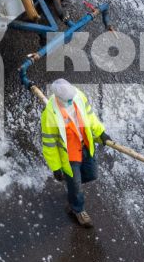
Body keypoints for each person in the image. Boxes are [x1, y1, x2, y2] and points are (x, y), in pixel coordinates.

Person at [40, 78, 107, 227]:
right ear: (58, 98)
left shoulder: (78, 96)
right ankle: (78, 210)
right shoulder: (50, 114)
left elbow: (90, 116)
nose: (71, 101)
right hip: (69, 155)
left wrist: (101, 132)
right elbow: (49, 144)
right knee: (76, 186)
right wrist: (56, 167)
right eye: (68, 100)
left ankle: (73, 187)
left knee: (92, 174)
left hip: (85, 145)